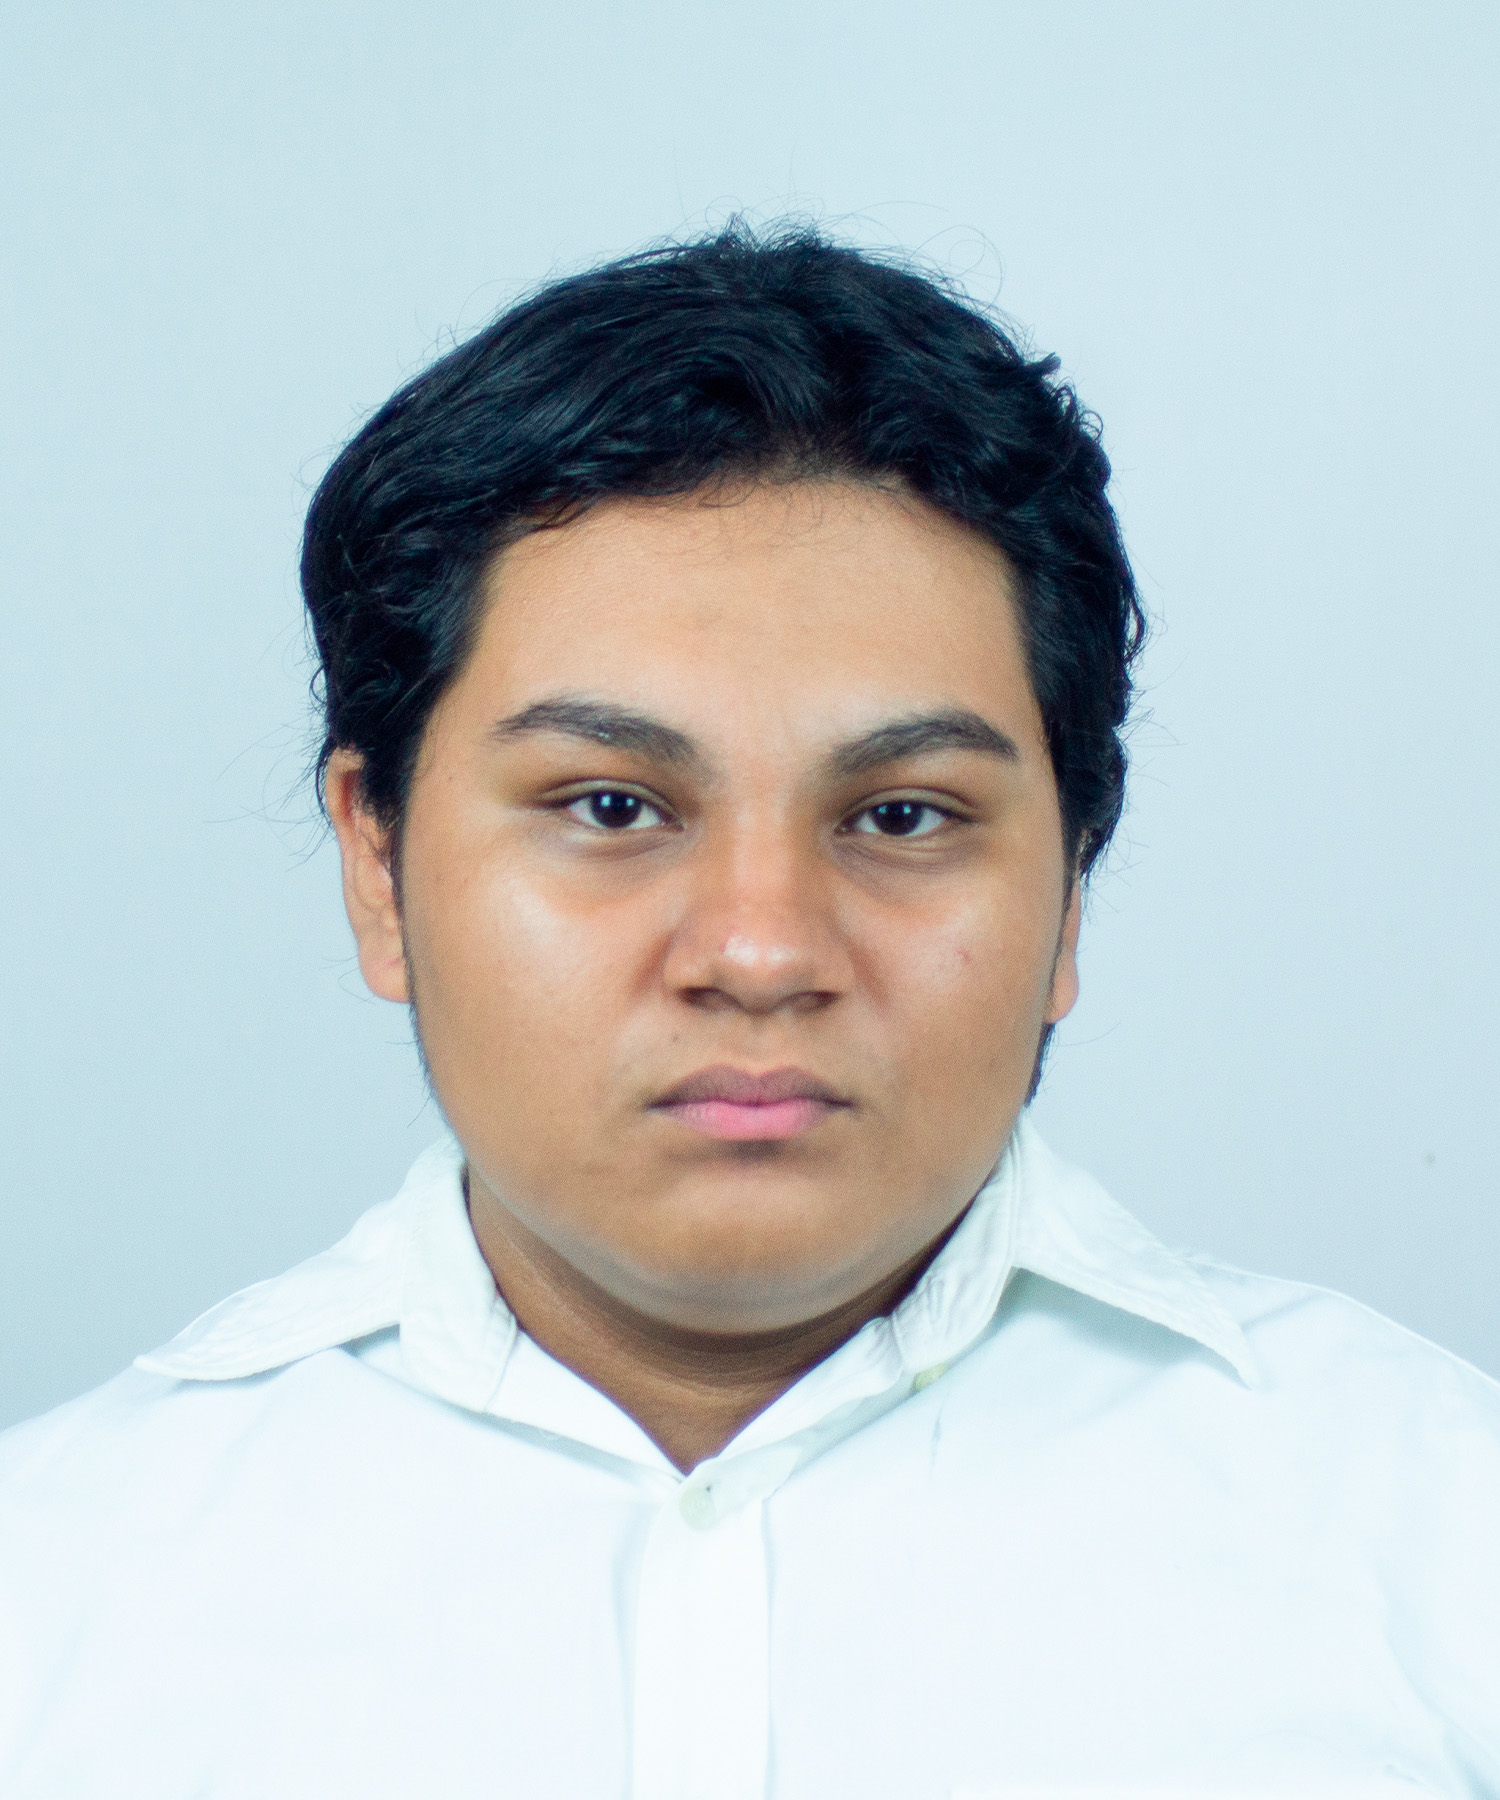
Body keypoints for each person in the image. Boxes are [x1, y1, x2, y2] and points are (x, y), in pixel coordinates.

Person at [1, 224, 1495, 1800]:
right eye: (610, 805)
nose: (763, 951)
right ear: (378, 863)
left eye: (902, 817)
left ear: (1071, 889)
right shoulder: (56, 1601)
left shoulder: (1434, 1547)